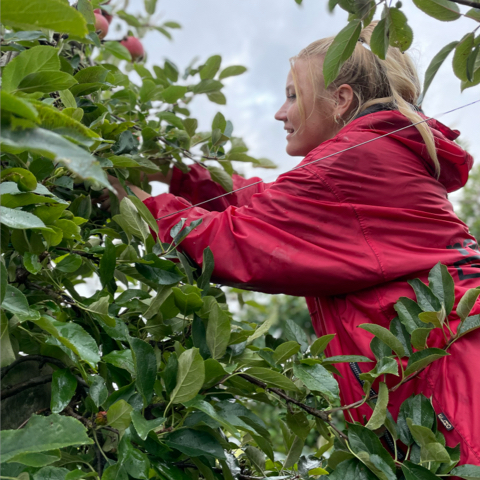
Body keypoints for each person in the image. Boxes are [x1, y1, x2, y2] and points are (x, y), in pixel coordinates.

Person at [107, 23, 480, 464]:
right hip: (453, 373)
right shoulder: (373, 155)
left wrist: (125, 197)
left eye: (292, 95)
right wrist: (177, 174)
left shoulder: (353, 159)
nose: (280, 114)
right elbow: (269, 205)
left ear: (340, 100)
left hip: (454, 388)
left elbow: (235, 241)